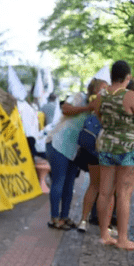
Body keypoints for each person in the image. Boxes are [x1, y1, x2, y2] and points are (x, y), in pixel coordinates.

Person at [95, 61, 134, 250]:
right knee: (124, 194)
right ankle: (122, 239)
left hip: (106, 145)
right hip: (128, 148)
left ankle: (104, 235)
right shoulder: (131, 96)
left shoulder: (101, 95)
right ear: (128, 77)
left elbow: (98, 116)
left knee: (104, 192)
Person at [45, 87, 93, 230]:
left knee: (69, 184)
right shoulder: (80, 97)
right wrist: (87, 108)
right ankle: (55, 218)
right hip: (58, 143)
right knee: (59, 181)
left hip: (74, 150)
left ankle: (64, 217)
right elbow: (65, 108)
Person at [74, 78, 110, 232]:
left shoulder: (90, 102)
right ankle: (104, 226)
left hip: (92, 147)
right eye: (104, 87)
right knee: (106, 189)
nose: (106, 89)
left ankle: (83, 220)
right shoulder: (106, 100)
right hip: (104, 147)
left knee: (93, 186)